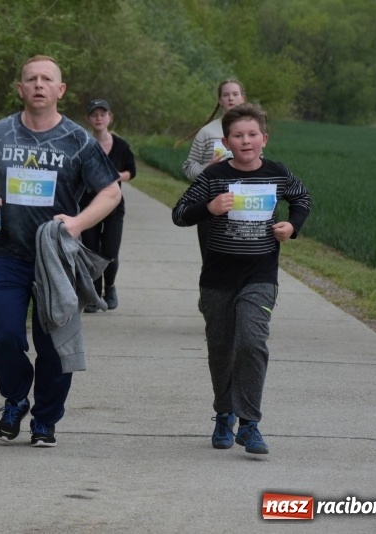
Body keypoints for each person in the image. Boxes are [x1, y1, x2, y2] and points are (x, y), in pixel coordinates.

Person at [0, 55, 121, 447]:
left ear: (60, 90)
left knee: (53, 346)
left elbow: (110, 191)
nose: (38, 84)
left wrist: (77, 223)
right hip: (7, 254)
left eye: (46, 79)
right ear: (20, 89)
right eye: (31, 79)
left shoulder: (78, 140)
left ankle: (45, 420)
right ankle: (16, 399)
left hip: (57, 259)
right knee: (4, 335)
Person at [171, 102, 311, 455]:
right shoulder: (213, 177)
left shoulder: (278, 173)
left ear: (264, 139)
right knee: (221, 350)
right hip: (218, 277)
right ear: (227, 140)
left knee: (251, 342)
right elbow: (179, 214)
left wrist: (292, 226)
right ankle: (224, 414)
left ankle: (249, 424)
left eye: (252, 135)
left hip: (260, 274)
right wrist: (210, 208)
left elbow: (302, 198)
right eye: (238, 135)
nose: (246, 141)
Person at [179, 80, 247, 262]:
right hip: (210, 205)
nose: (231, 98)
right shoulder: (207, 132)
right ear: (220, 100)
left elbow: (259, 164)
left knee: (241, 262)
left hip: (242, 204)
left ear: (243, 98)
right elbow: (188, 166)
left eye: (235, 94)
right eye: (226, 95)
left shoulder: (251, 131)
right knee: (211, 262)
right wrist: (207, 168)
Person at [80, 99, 137, 313]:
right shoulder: (83, 143)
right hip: (88, 205)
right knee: (91, 251)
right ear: (88, 119)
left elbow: (131, 171)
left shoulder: (121, 146)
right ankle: (93, 296)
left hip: (114, 206)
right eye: (94, 114)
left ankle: (110, 287)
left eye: (102, 114)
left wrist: (111, 177)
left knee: (110, 252)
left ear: (109, 117)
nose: (98, 118)